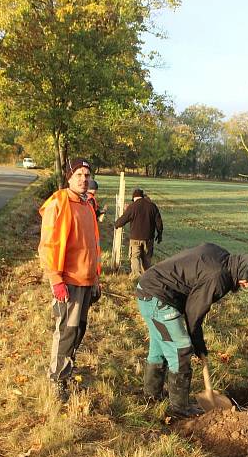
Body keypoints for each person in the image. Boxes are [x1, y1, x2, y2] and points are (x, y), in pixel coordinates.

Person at [136, 243, 248, 417]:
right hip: (157, 296)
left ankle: (152, 396)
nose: (245, 285)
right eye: (247, 280)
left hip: (150, 288)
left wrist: (199, 343)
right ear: (242, 270)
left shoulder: (223, 256)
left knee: (159, 347)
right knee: (181, 348)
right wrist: (197, 343)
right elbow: (194, 312)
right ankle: (180, 408)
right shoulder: (218, 277)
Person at [38, 158, 101, 403]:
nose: (84, 179)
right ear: (69, 177)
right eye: (79, 175)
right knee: (66, 331)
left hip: (87, 280)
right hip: (68, 281)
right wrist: (56, 279)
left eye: (87, 175)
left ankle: (67, 368)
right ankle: (57, 379)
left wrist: (96, 277)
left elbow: (92, 244)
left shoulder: (87, 204)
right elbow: (48, 245)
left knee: (78, 331)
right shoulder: (59, 203)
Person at [114, 188, 163, 276]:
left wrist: (116, 224)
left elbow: (123, 219)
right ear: (142, 196)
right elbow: (159, 222)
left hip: (135, 238)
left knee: (134, 257)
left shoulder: (133, 207)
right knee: (147, 258)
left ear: (134, 198)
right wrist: (159, 234)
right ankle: (146, 277)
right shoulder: (152, 206)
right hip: (149, 238)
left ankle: (136, 276)